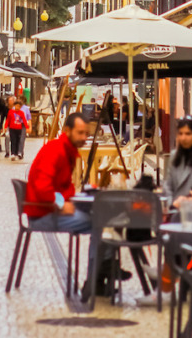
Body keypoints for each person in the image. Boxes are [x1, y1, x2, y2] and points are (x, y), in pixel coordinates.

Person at [25, 112, 125, 299]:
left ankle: (103, 272)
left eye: (86, 134)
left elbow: (65, 187)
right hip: (42, 215)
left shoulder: (67, 150)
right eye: (80, 133)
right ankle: (99, 276)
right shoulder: (56, 150)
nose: (84, 138)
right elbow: (42, 186)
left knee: (103, 218)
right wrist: (62, 204)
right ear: (67, 131)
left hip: (48, 209)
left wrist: (81, 197)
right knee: (100, 225)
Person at [162, 116, 192, 208]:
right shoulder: (174, 155)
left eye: (188, 134)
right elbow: (168, 186)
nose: (183, 138)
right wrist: (171, 204)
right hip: (175, 209)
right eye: (180, 133)